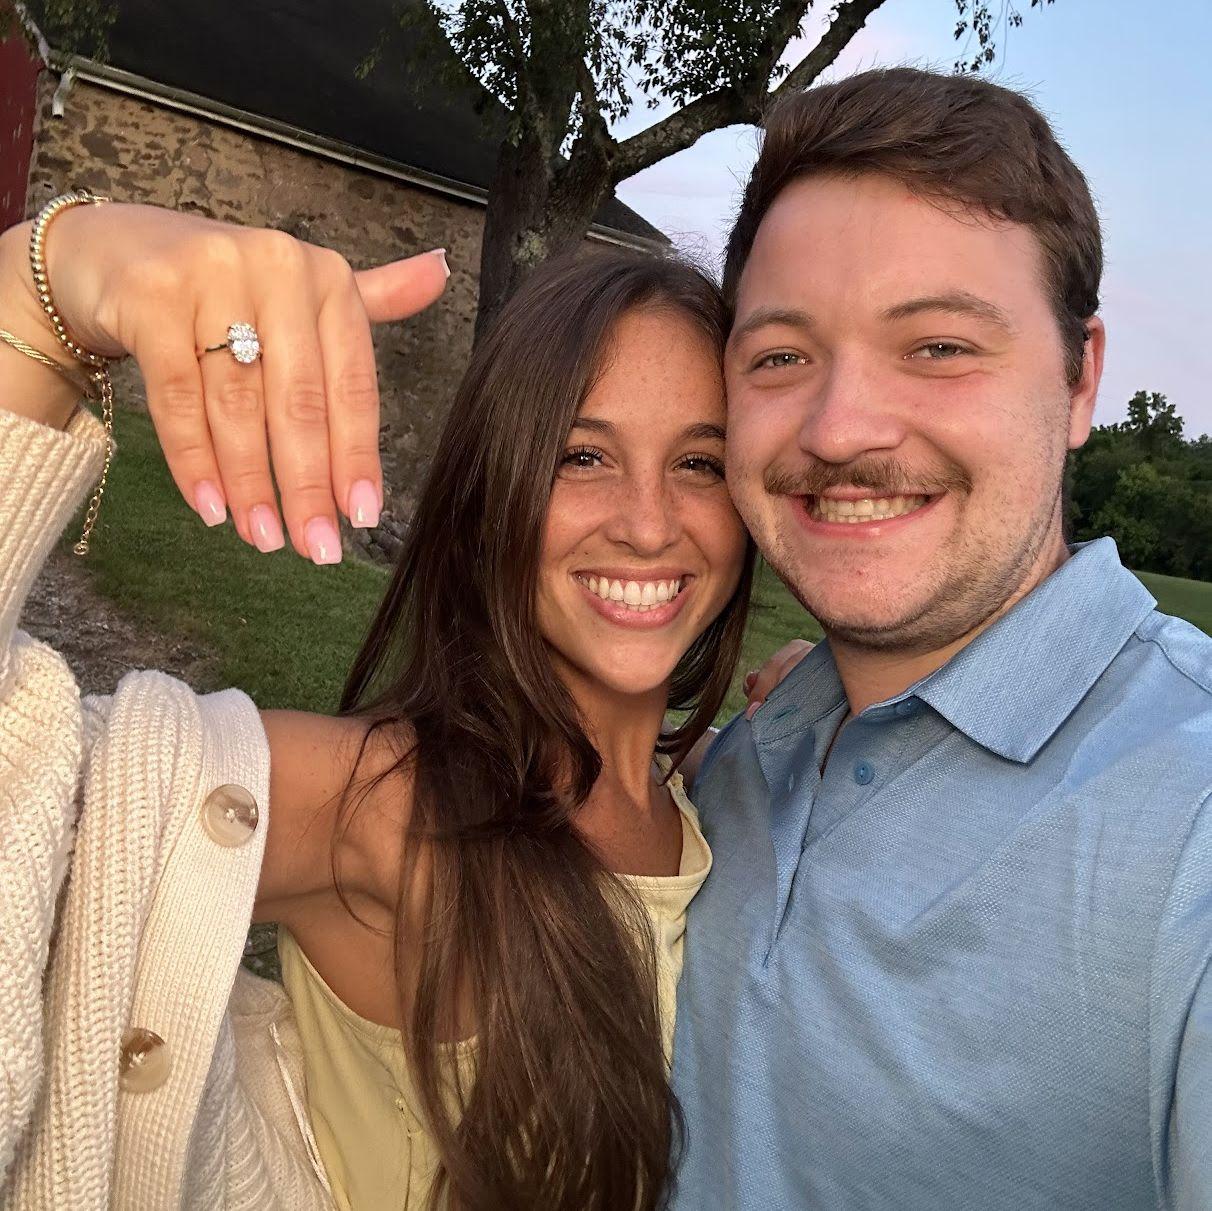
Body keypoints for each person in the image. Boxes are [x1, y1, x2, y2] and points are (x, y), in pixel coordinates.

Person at [0, 198, 752, 1209]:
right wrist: (43, 290)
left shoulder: (713, 793)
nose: (650, 523)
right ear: (490, 495)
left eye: (700, 462)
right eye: (583, 456)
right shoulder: (389, 804)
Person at [669, 67, 1212, 1209]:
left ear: (1080, 380)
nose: (839, 429)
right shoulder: (744, 759)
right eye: (781, 357)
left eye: (939, 347)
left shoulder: (1192, 818)